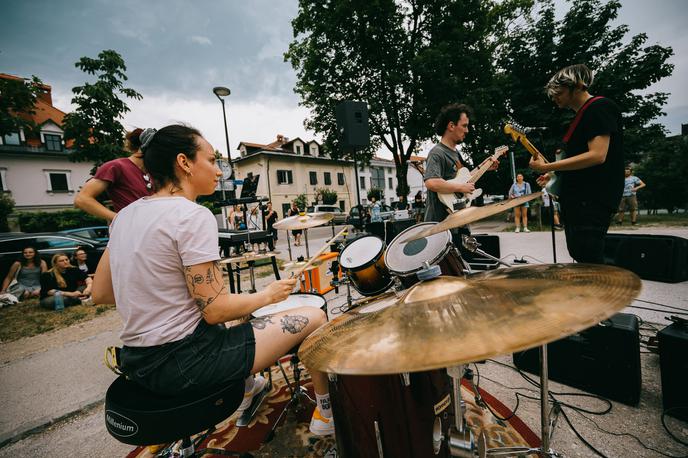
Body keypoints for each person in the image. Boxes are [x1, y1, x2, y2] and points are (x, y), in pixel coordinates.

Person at [91, 125, 334, 435]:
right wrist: (270, 294)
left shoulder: (124, 216)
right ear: (185, 163)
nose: (219, 171)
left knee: (243, 313)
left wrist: (158, 292)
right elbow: (215, 310)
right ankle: (326, 415)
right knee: (315, 316)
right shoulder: (191, 215)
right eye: (212, 160)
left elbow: (100, 292)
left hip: (137, 362)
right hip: (187, 363)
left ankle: (248, 387)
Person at [530, 64, 624, 263]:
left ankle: (602, 294)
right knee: (581, 255)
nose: (554, 97)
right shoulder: (582, 116)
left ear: (579, 85)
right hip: (579, 200)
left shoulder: (599, 107)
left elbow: (597, 155)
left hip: (591, 199)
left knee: (589, 258)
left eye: (560, 92)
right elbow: (581, 161)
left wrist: (548, 167)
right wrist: (555, 174)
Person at [424, 104, 499, 241]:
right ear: (451, 126)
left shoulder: (455, 153)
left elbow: (462, 179)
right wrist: (460, 188)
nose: (467, 130)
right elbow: (431, 182)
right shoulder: (437, 153)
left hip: (457, 221)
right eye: (464, 126)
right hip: (440, 225)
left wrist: (484, 167)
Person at [74, 128, 154, 222]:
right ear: (144, 147)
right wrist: (119, 219)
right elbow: (81, 199)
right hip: (130, 232)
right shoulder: (116, 166)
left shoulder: (153, 171)